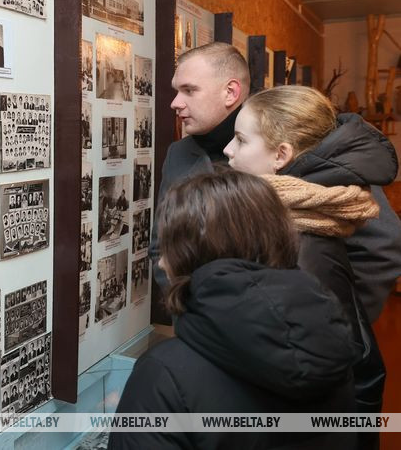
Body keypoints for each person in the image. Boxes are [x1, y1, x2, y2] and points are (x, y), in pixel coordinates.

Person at [152, 42, 401, 326]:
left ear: (230, 92)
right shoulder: (179, 154)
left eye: (189, 90)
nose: (175, 102)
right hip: (207, 333)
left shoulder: (304, 147)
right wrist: (192, 312)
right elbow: (162, 243)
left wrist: (336, 328)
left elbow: (382, 245)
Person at [109, 171, 358, 450]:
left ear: (193, 254)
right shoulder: (329, 342)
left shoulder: (164, 373)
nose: (162, 263)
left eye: (170, 247)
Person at [223, 85, 390, 429]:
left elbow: (336, 375)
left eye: (240, 140)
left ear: (281, 156)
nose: (228, 150)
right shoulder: (281, 223)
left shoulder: (302, 247)